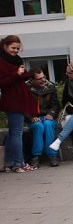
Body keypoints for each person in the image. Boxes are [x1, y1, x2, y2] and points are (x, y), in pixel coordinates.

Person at [0, 35, 38, 172]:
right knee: (17, 133)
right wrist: (17, 74)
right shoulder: (2, 61)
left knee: (13, 133)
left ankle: (10, 163)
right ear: (5, 46)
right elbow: (3, 83)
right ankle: (19, 162)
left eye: (17, 48)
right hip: (12, 100)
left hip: (20, 99)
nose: (15, 50)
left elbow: (26, 74)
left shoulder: (16, 60)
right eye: (13, 48)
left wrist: (20, 74)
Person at [27, 69, 61, 168]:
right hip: (33, 117)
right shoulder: (25, 88)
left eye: (44, 77)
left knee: (48, 124)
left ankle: (52, 155)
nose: (43, 80)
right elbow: (22, 106)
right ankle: (36, 156)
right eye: (39, 79)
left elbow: (56, 105)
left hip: (47, 116)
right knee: (38, 126)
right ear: (32, 80)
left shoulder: (50, 86)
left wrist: (51, 114)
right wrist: (31, 117)